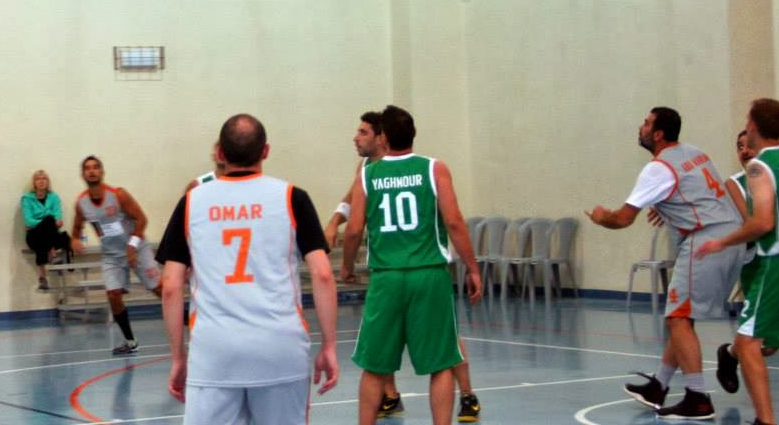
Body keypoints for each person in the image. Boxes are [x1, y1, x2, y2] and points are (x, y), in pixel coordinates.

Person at [158, 114, 339, 424]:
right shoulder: (292, 197)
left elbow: (171, 286)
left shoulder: (191, 202)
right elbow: (323, 274)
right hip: (280, 349)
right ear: (265, 151)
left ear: (220, 154)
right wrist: (330, 345)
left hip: (215, 352)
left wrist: (178, 357)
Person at [586, 106, 745, 420]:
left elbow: (623, 218)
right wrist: (667, 204)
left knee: (678, 319)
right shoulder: (693, 152)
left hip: (705, 240)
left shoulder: (658, 169)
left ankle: (698, 397)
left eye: (646, 123)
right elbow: (702, 192)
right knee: (681, 317)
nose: (640, 127)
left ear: (658, 134)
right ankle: (658, 385)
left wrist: (603, 218)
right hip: (732, 237)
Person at [327, 111, 482, 421]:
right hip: (429, 275)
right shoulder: (434, 168)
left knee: (375, 366)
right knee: (440, 365)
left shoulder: (367, 174)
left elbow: (355, 228)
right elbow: (453, 221)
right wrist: (473, 267)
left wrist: (346, 266)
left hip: (386, 278)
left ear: (382, 137)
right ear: (414, 133)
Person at [696, 99, 779, 425]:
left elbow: (760, 223)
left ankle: (765, 421)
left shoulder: (761, 168)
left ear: (755, 126)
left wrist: (721, 242)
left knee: (748, 344)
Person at [71, 156, 162, 355]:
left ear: (102, 172)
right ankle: (130, 341)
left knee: (160, 290)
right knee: (113, 295)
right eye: (87, 168)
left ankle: (193, 327)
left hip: (136, 248)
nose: (92, 171)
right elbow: (76, 228)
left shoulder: (118, 195)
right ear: (83, 174)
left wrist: (132, 246)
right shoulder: (82, 203)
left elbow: (142, 219)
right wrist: (75, 239)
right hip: (112, 255)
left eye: (96, 167)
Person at [21, 169, 71, 291]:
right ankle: (52, 252)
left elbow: (59, 219)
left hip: (46, 235)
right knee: (48, 220)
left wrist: (39, 223)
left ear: (48, 182)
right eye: (38, 179)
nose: (41, 181)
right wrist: (45, 223)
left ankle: (42, 277)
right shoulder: (26, 199)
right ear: (34, 183)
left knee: (64, 237)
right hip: (34, 236)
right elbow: (28, 221)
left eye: (44, 178)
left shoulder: (54, 198)